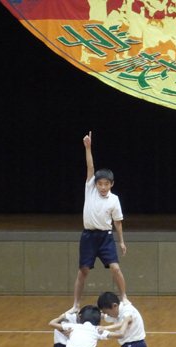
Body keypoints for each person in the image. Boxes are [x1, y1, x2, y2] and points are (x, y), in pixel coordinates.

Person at [71, 130, 127, 312]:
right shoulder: (90, 190)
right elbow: (90, 167)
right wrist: (88, 147)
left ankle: (125, 298)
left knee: (115, 268)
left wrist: (122, 242)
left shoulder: (114, 199)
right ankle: (75, 305)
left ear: (111, 184)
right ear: (95, 184)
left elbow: (117, 222)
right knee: (83, 271)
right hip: (88, 236)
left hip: (105, 237)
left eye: (106, 184)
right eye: (100, 183)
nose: (103, 187)